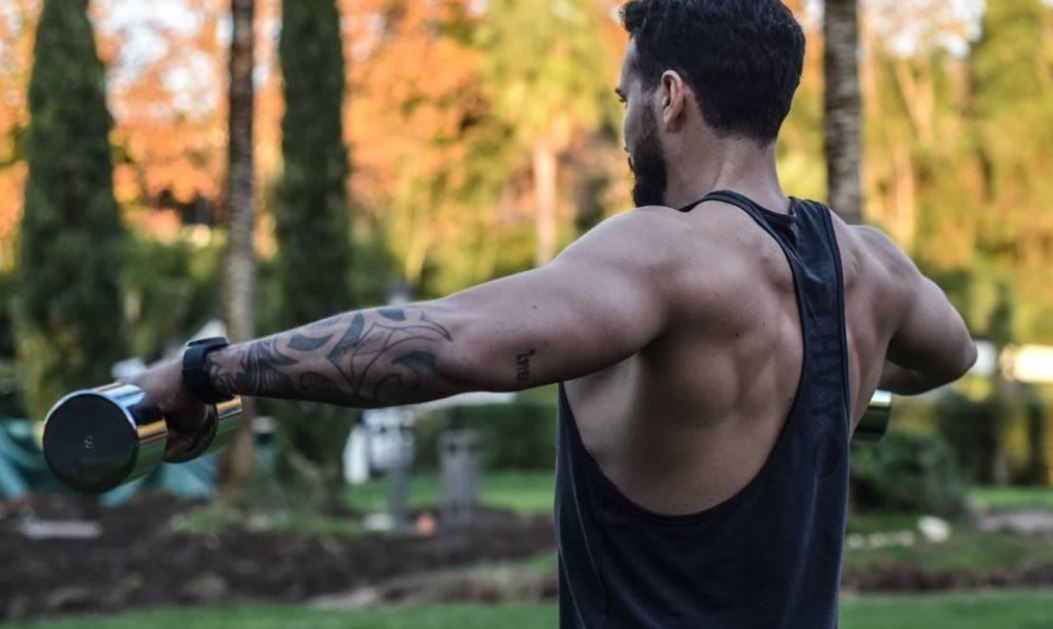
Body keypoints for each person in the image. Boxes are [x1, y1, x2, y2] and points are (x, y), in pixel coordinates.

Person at [134, 0, 977, 626]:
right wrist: (838, 381)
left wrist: (205, 369)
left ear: (670, 98)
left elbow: (453, 343)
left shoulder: (662, 252)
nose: (624, 127)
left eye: (624, 99)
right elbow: (953, 354)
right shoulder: (867, 266)